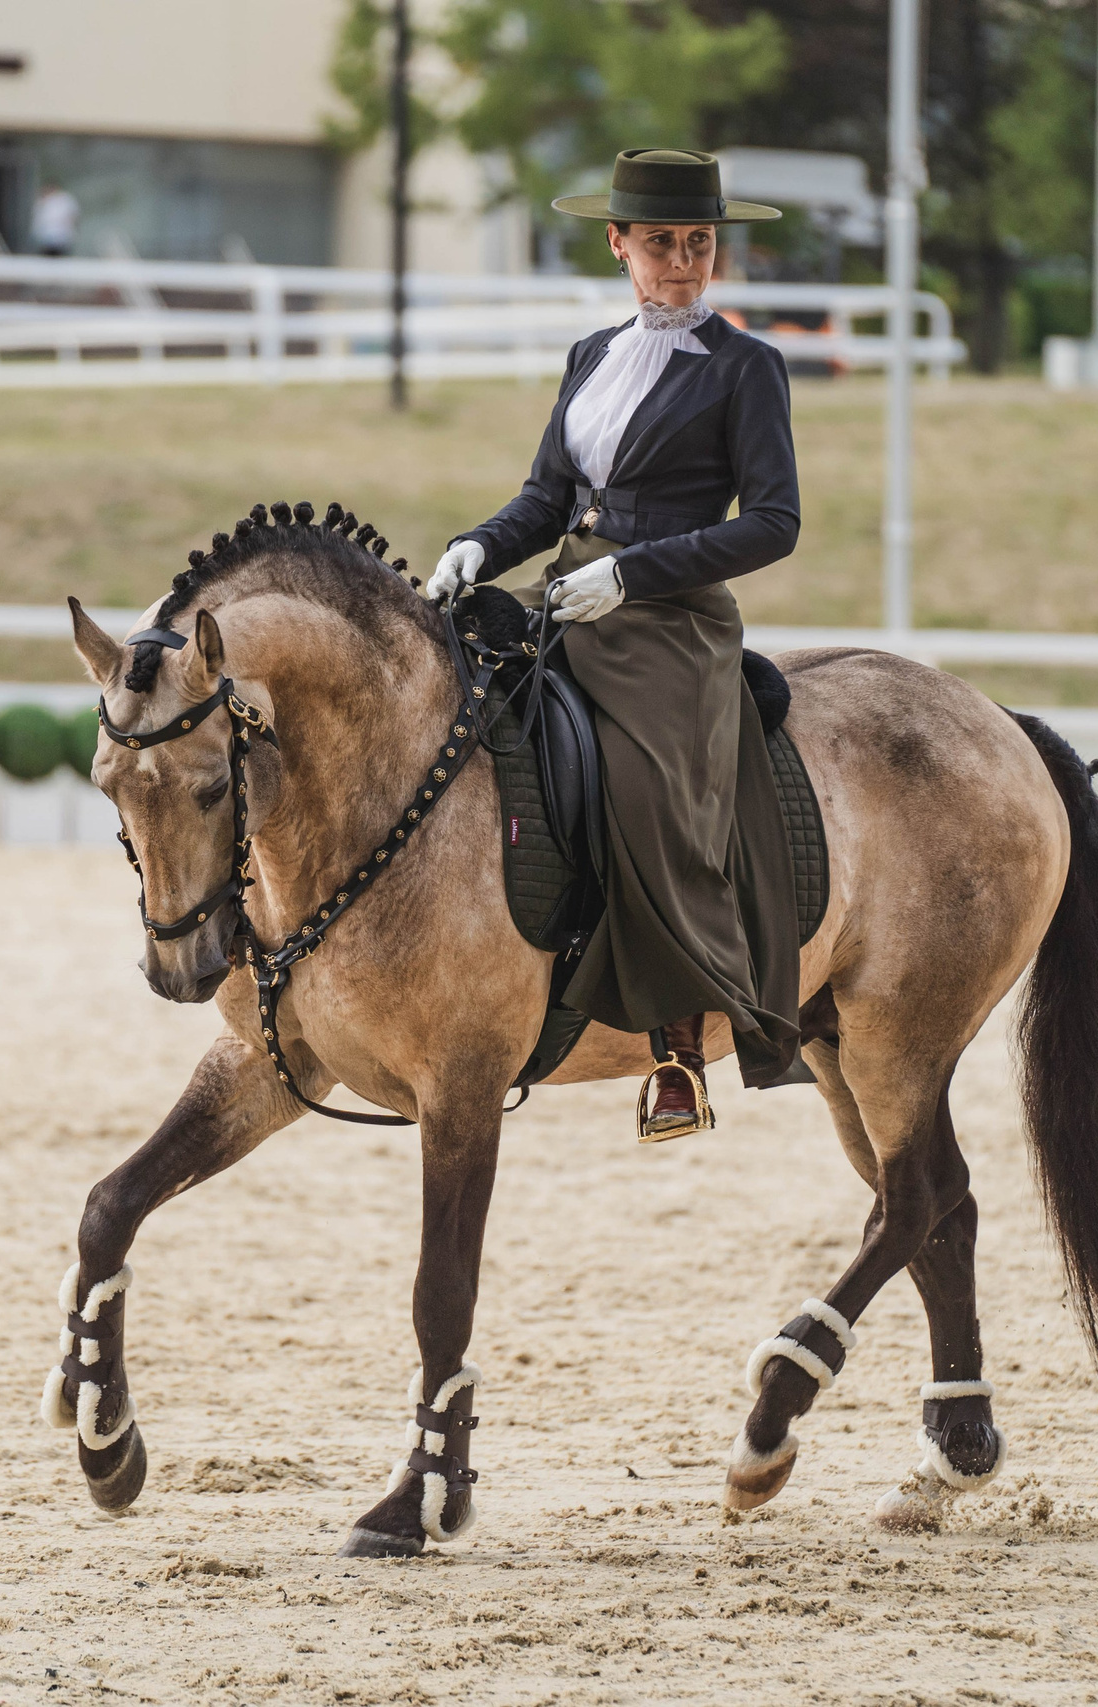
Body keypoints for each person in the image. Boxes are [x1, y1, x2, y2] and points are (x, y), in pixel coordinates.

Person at [424, 148, 799, 1143]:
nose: (683, 262)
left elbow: (773, 521)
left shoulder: (746, 368)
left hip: (669, 619)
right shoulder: (591, 356)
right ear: (618, 244)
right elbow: (548, 498)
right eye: (664, 243)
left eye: (701, 244)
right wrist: (478, 544)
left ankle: (679, 1045)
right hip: (566, 597)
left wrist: (632, 572)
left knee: (646, 785)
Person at [30, 182, 79, 257]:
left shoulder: (64, 200)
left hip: (60, 238)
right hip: (45, 239)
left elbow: (72, 217)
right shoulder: (42, 201)